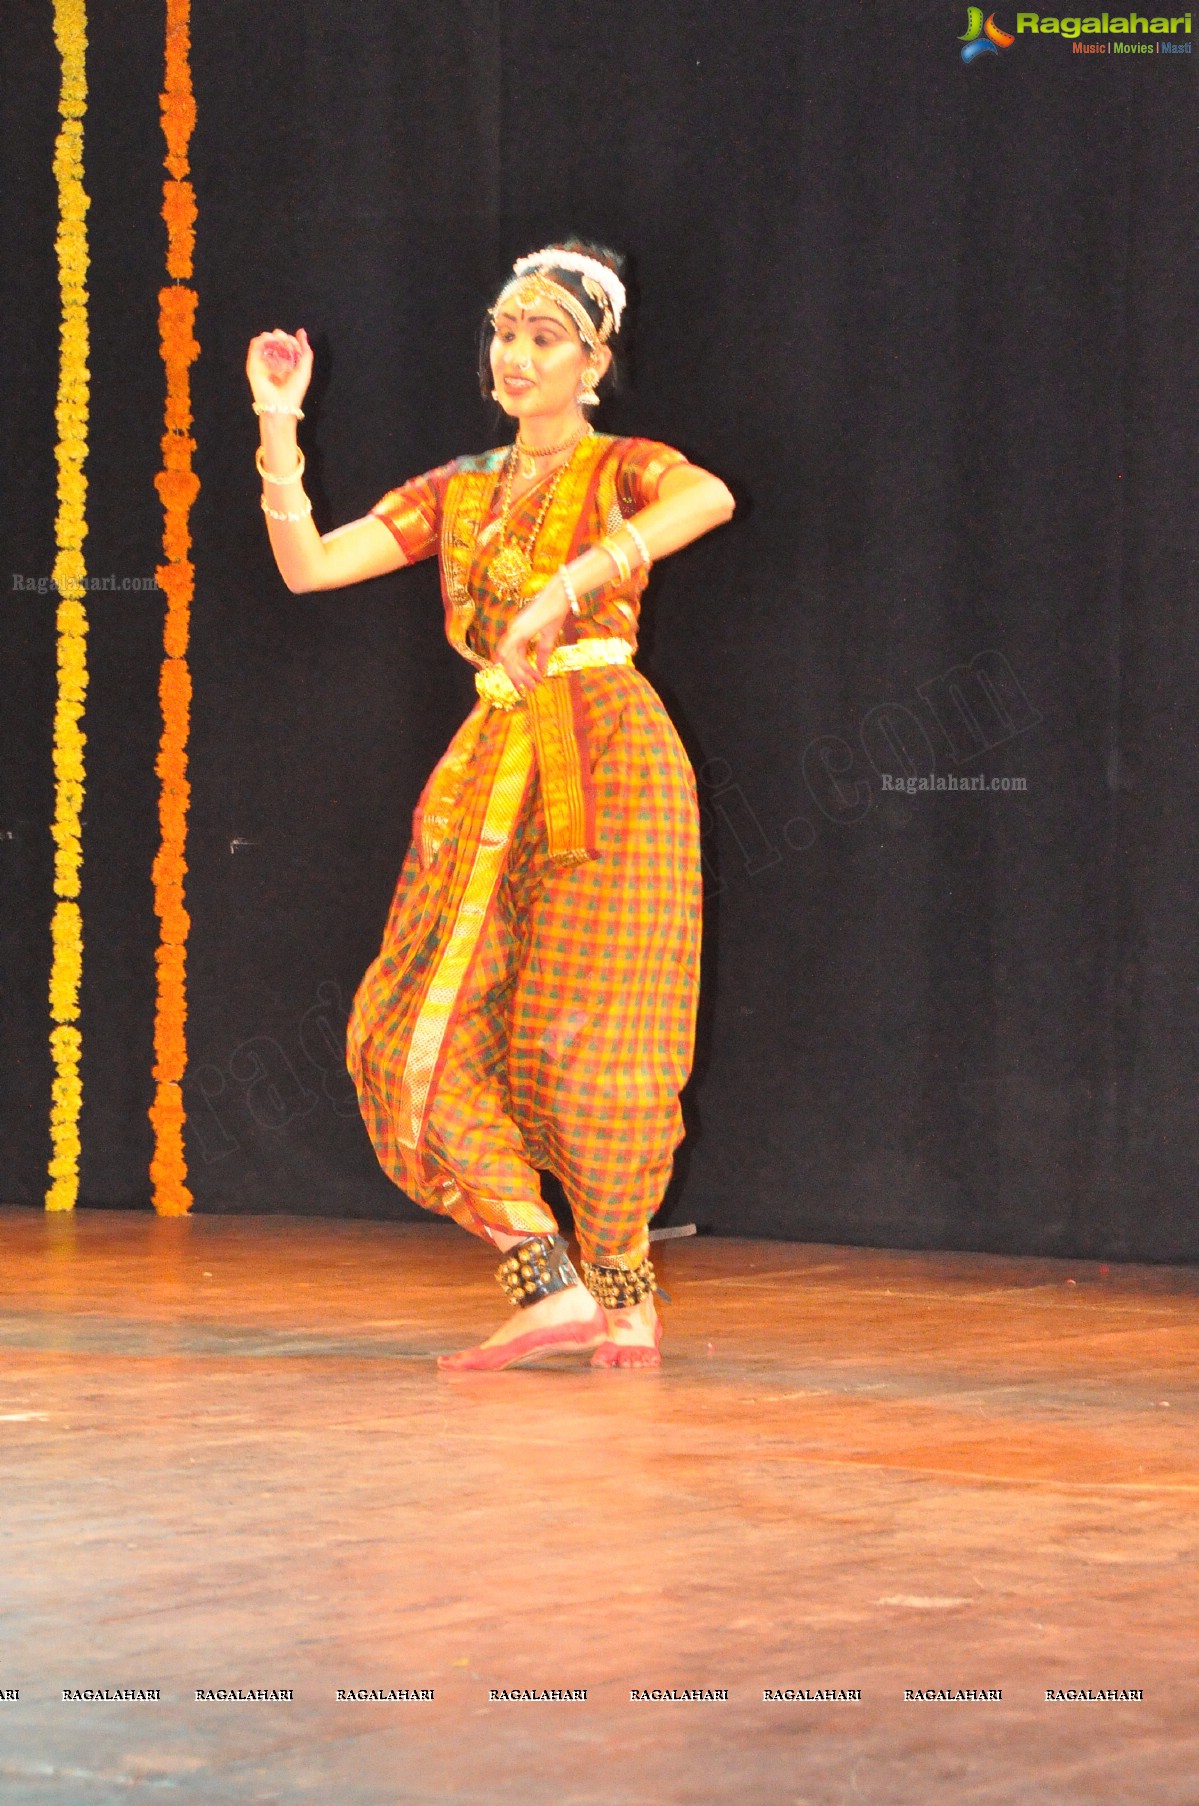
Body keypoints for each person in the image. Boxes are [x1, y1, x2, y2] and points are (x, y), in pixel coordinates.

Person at [245, 240, 734, 1370]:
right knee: (402, 1023)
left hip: (608, 754)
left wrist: (569, 586)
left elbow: (704, 498)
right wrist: (280, 424)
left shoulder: (622, 467)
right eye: (504, 335)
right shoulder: (457, 485)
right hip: (487, 768)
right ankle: (540, 1267)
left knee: (596, 1035)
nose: (514, 355)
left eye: (543, 338)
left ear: (593, 361)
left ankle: (624, 1294)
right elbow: (310, 567)